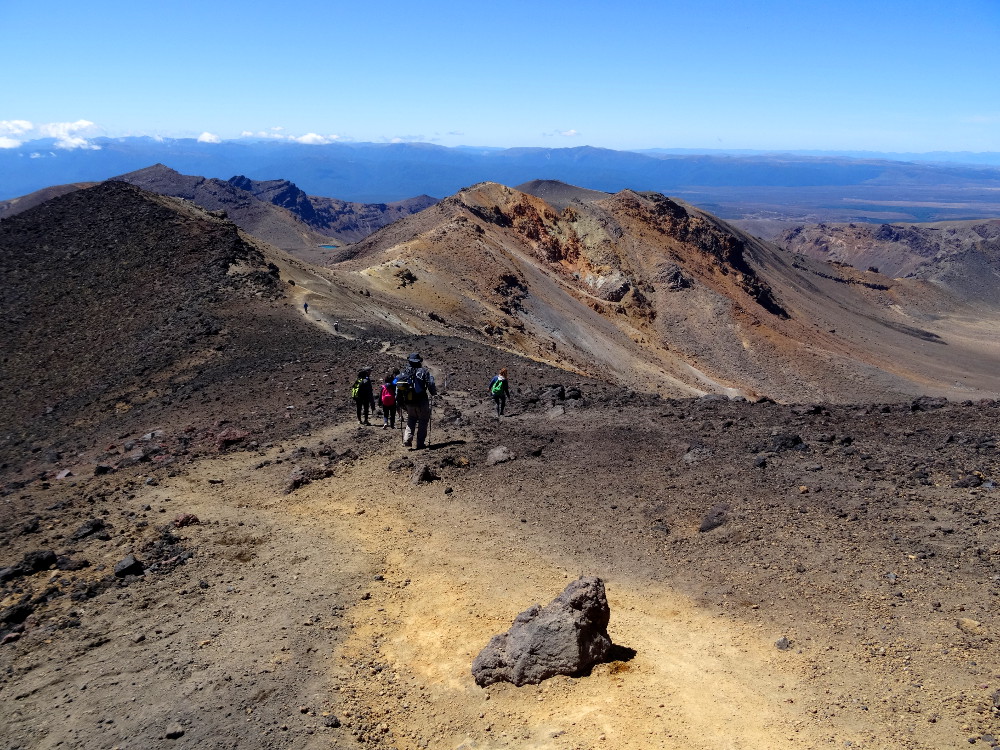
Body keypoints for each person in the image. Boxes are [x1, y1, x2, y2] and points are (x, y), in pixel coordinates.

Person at [395, 353, 437, 449]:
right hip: (422, 401)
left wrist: (401, 403)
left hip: (409, 402)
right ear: (419, 362)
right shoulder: (423, 372)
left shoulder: (403, 373)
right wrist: (433, 393)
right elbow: (430, 383)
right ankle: (420, 443)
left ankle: (407, 439)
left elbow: (398, 389)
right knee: (423, 421)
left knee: (411, 419)